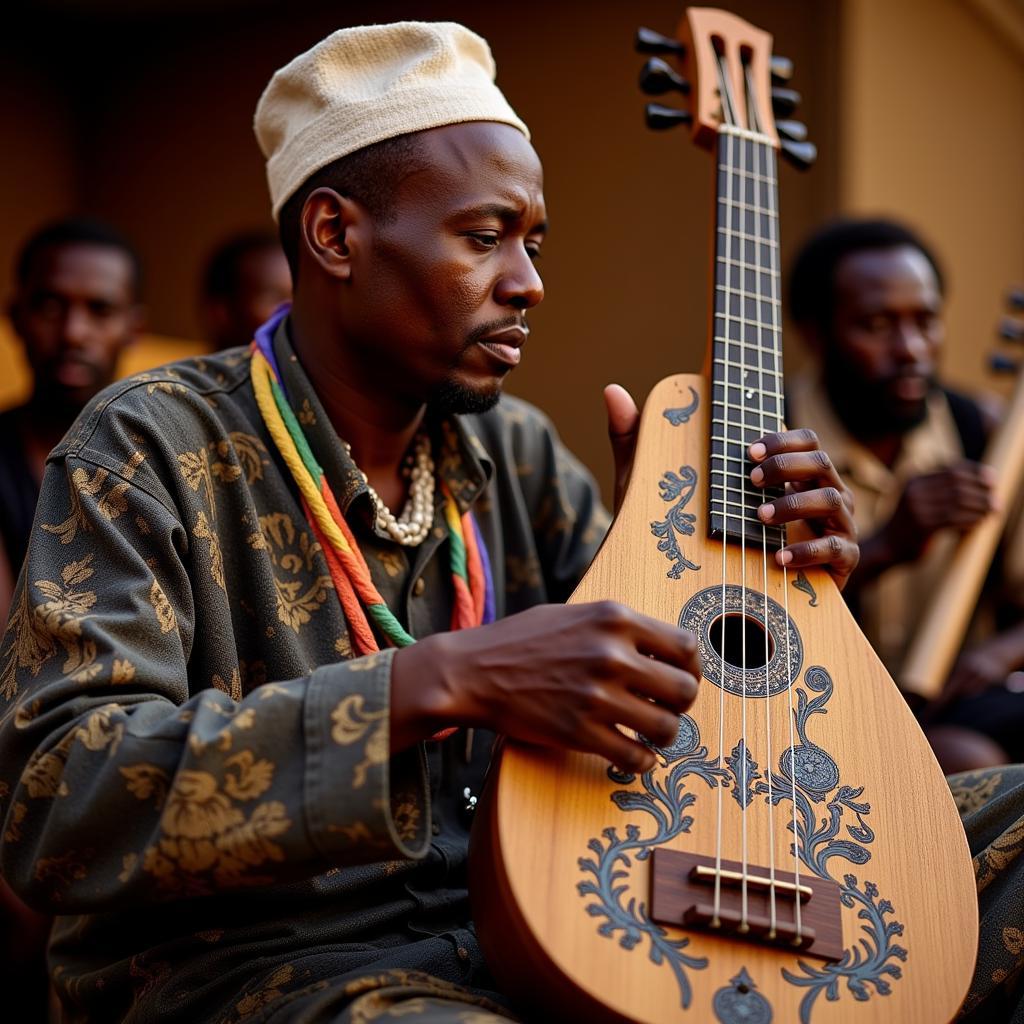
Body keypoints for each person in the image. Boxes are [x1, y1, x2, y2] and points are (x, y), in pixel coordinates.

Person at [0, 22, 880, 1024]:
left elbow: (677, 740)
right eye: (482, 236)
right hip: (266, 969)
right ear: (335, 236)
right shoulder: (144, 447)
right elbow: (56, 804)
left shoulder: (519, 450)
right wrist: (439, 679)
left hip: (554, 923)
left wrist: (726, 573)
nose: (528, 281)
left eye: (532, 241)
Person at [787, 218, 1024, 772]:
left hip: (961, 705)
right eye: (876, 325)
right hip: (816, 714)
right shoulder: (769, 438)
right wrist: (889, 543)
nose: (912, 348)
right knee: (966, 761)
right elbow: (744, 625)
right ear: (814, 334)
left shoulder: (983, 436)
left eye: (926, 321)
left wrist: (995, 654)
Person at [0, 217, 144, 629]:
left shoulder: (166, 461)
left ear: (134, 329)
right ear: (16, 317)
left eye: (100, 310)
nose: (72, 333)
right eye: (49, 306)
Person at [199, 231, 292, 350]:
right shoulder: (173, 368)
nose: (293, 310)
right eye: (274, 297)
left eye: (299, 296)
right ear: (220, 313)